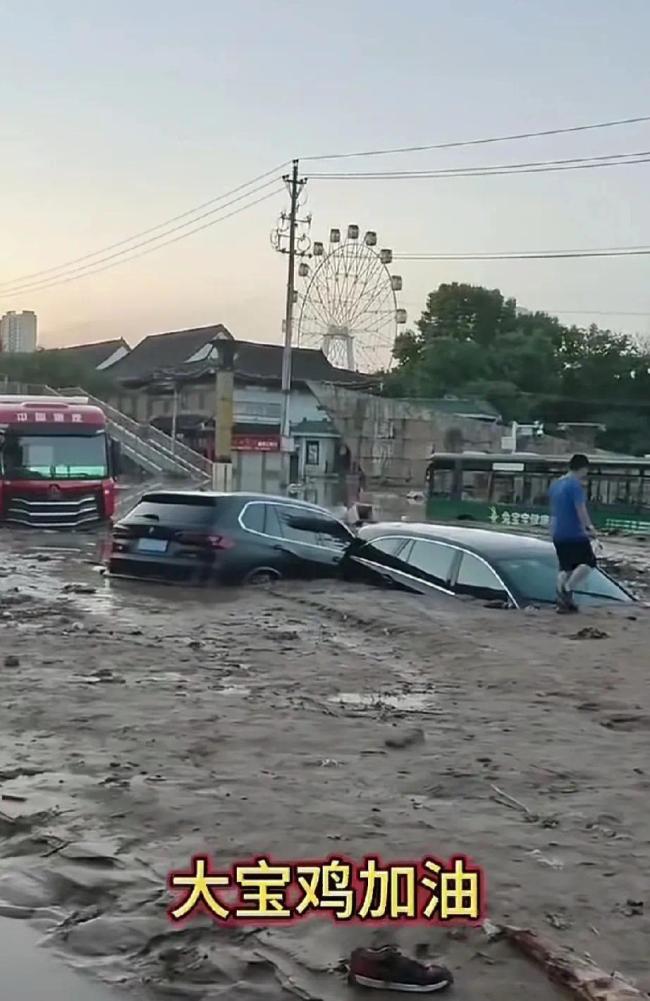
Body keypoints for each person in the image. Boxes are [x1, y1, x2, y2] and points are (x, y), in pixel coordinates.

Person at [549, 453, 598, 613]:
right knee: (589, 562)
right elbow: (580, 509)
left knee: (565, 567)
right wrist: (589, 528)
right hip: (574, 533)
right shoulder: (575, 485)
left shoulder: (556, 484)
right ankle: (568, 590)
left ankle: (561, 601)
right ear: (583, 468)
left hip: (557, 533)